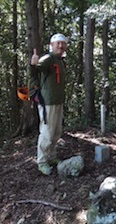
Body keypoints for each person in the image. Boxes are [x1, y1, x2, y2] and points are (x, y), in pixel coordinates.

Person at [29, 33, 68, 175]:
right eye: (57, 43)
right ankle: (42, 161)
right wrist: (33, 64)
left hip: (58, 102)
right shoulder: (48, 59)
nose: (60, 45)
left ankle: (51, 157)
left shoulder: (61, 61)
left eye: (63, 43)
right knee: (47, 132)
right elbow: (35, 71)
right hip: (48, 102)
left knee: (56, 132)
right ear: (51, 45)